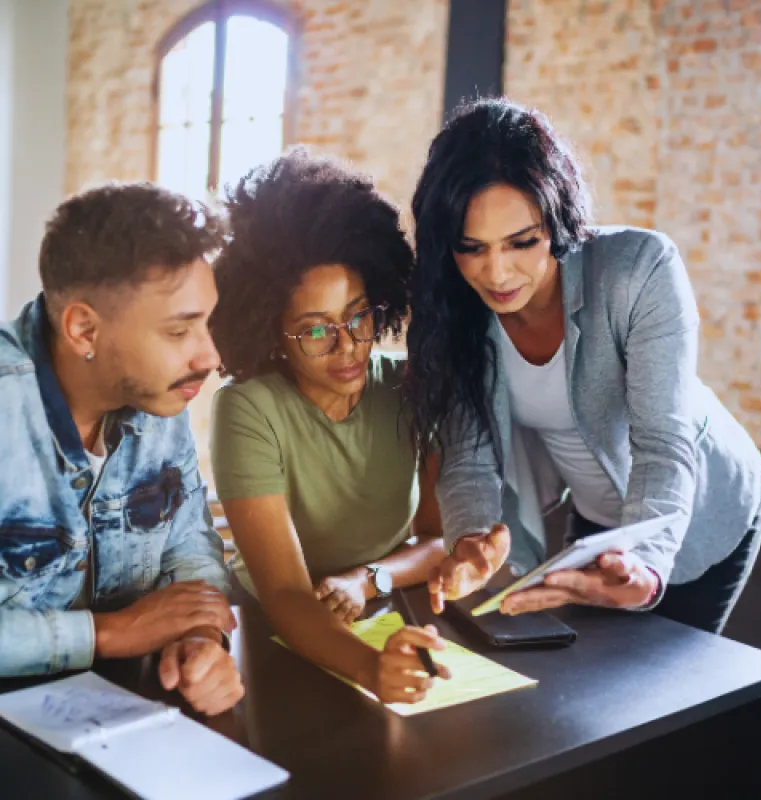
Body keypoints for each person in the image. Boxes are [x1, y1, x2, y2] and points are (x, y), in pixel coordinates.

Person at [406, 99, 761, 634]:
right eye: (471, 248)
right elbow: (468, 458)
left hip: (698, 514)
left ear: (557, 218)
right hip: (599, 525)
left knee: (674, 699)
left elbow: (661, 442)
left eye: (522, 242)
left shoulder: (639, 270)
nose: (496, 272)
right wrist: (471, 544)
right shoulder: (458, 310)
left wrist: (645, 564)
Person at [210, 149, 450, 704]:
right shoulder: (248, 408)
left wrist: (367, 580)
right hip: (271, 633)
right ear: (272, 333)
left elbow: (438, 540)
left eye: (359, 316)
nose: (347, 346)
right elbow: (288, 595)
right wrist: (371, 672)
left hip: (385, 614)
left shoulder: (409, 387)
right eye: (315, 331)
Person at [0, 183, 243, 715]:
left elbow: (187, 542)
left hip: (121, 723)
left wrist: (201, 637)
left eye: (207, 322)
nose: (210, 356)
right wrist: (108, 634)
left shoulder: (158, 396)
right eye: (180, 331)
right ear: (84, 329)